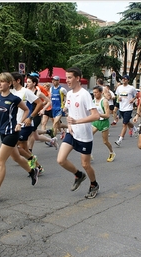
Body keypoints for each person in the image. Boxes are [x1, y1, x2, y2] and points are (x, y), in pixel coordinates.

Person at [0, 72, 40, 201]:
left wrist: (20, 123)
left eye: (2, 81)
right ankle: (32, 171)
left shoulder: (14, 99)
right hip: (2, 131)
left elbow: (26, 110)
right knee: (16, 158)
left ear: (9, 83)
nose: (0, 84)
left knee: (0, 161)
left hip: (12, 132)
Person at [57, 67, 100, 199]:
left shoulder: (85, 94)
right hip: (72, 132)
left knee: (86, 164)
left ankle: (94, 184)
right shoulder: (69, 94)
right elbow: (69, 112)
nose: (67, 80)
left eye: (69, 77)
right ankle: (78, 175)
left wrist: (77, 122)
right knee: (61, 160)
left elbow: (96, 116)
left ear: (77, 78)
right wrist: (69, 124)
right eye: (66, 77)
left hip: (84, 135)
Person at [91, 85, 115, 162]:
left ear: (101, 92)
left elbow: (107, 115)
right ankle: (88, 154)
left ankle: (112, 152)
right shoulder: (93, 100)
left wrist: (98, 114)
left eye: (96, 92)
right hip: (96, 122)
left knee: (105, 141)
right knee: (88, 137)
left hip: (104, 122)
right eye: (93, 92)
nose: (94, 94)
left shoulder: (104, 101)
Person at [114, 75, 137, 146]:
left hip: (128, 108)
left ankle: (120, 140)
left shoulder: (131, 88)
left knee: (124, 124)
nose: (124, 80)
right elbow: (117, 95)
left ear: (128, 80)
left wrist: (133, 99)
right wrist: (119, 98)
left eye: (125, 79)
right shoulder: (119, 88)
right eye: (123, 79)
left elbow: (137, 95)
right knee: (126, 122)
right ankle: (135, 129)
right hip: (122, 108)